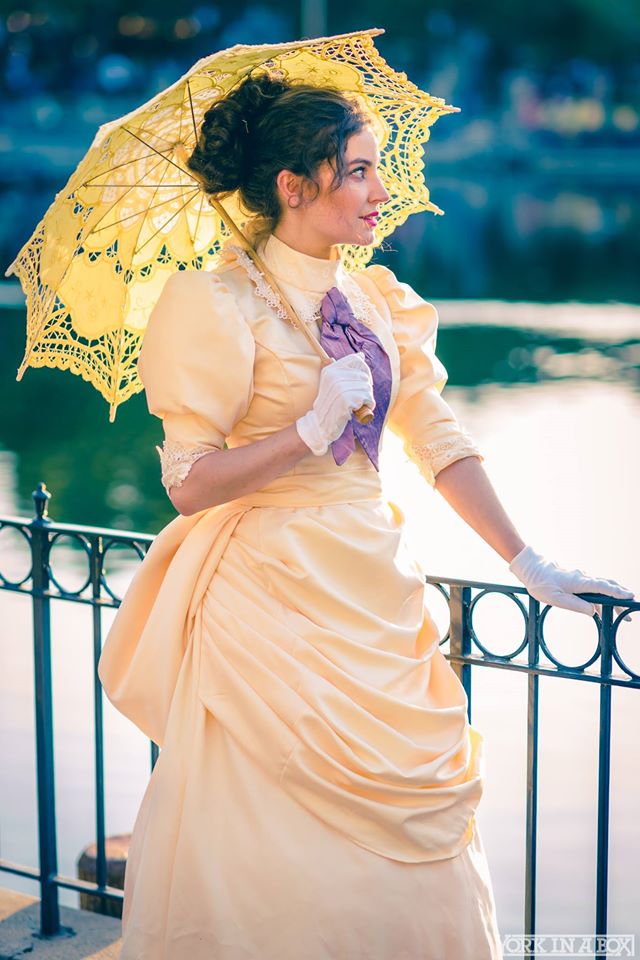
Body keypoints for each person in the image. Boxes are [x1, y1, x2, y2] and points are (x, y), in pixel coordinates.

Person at [97, 72, 635, 960]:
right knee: (271, 862)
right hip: (261, 613)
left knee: (415, 868)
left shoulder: (378, 301)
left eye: (377, 169)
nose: (382, 192)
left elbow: (439, 440)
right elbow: (189, 485)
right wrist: (306, 429)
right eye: (357, 172)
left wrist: (528, 560)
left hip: (372, 590)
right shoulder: (214, 304)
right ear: (292, 187)